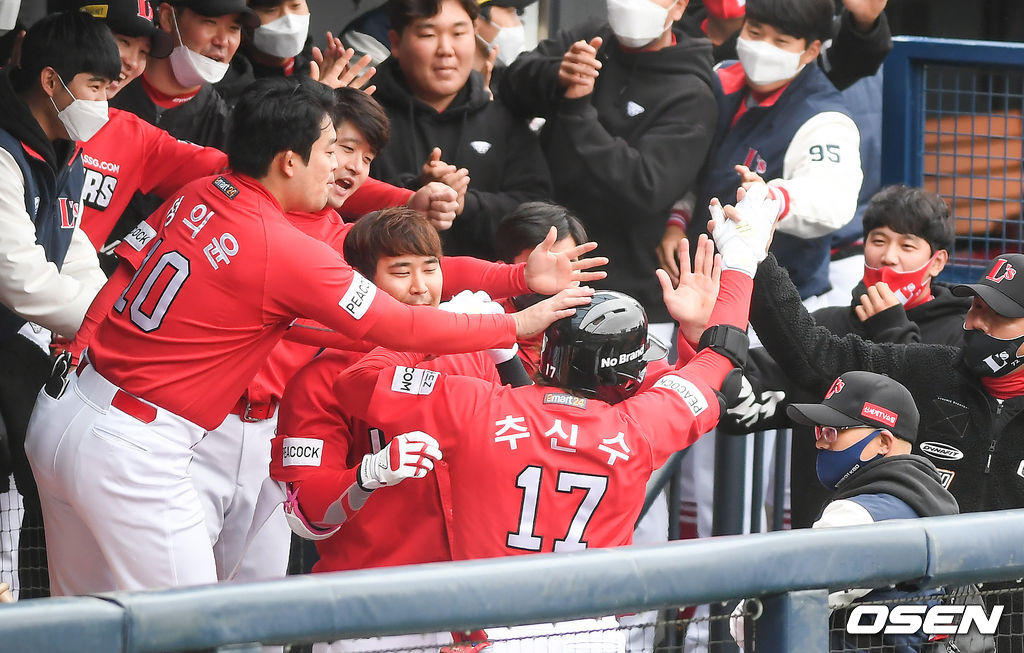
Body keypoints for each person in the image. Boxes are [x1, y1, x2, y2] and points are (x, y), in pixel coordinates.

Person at [24, 76, 598, 596]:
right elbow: (396, 322)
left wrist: (512, 280)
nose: (341, 167)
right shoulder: (285, 246)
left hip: (71, 408)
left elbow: (130, 274)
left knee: (84, 622)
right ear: (288, 161)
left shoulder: (201, 193)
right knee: (188, 627)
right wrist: (515, 322)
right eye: (331, 150)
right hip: (138, 447)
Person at [311, 187, 780, 650]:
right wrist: (740, 269)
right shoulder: (638, 424)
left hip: (488, 628)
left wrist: (455, 328)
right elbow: (719, 367)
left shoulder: (482, 405)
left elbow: (359, 381)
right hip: (591, 634)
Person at [272, 206, 546, 652]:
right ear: (359, 283)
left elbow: (539, 448)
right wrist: (366, 477)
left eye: (431, 269)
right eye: (401, 272)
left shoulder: (475, 354)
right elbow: (305, 517)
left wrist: (508, 359)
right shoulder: (320, 379)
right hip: (371, 615)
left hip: (478, 610)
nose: (421, 288)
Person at [721, 185, 970, 528]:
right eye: (878, 241)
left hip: (911, 535)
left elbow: (929, 426)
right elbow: (741, 405)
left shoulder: (961, 334)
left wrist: (894, 330)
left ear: (936, 262)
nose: (889, 257)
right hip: (820, 529)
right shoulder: (826, 324)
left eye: (907, 245)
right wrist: (705, 331)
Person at [499, 0, 717, 337]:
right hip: (538, 270)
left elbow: (646, 186)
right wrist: (557, 73)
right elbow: (512, 85)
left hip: (625, 292)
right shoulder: (590, 37)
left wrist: (577, 110)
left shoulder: (692, 92)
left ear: (678, 7)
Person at [0, 10, 119, 599]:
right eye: (96, 87)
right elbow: (20, 280)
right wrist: (107, 326)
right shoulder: (3, 149)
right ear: (52, 82)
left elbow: (72, 248)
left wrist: (111, 317)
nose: (103, 102)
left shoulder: (63, 148)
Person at [730, 370, 959, 653]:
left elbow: (757, 620)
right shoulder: (932, 503)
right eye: (819, 430)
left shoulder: (857, 515)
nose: (820, 442)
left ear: (883, 442)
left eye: (833, 431)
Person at [370, 0, 552, 260]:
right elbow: (342, 204)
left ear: (475, 34)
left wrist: (465, 204)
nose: (446, 49)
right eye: (429, 34)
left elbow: (538, 212)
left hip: (488, 294)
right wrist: (416, 193)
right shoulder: (366, 116)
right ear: (396, 42)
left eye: (458, 33)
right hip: (386, 291)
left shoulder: (503, 116)